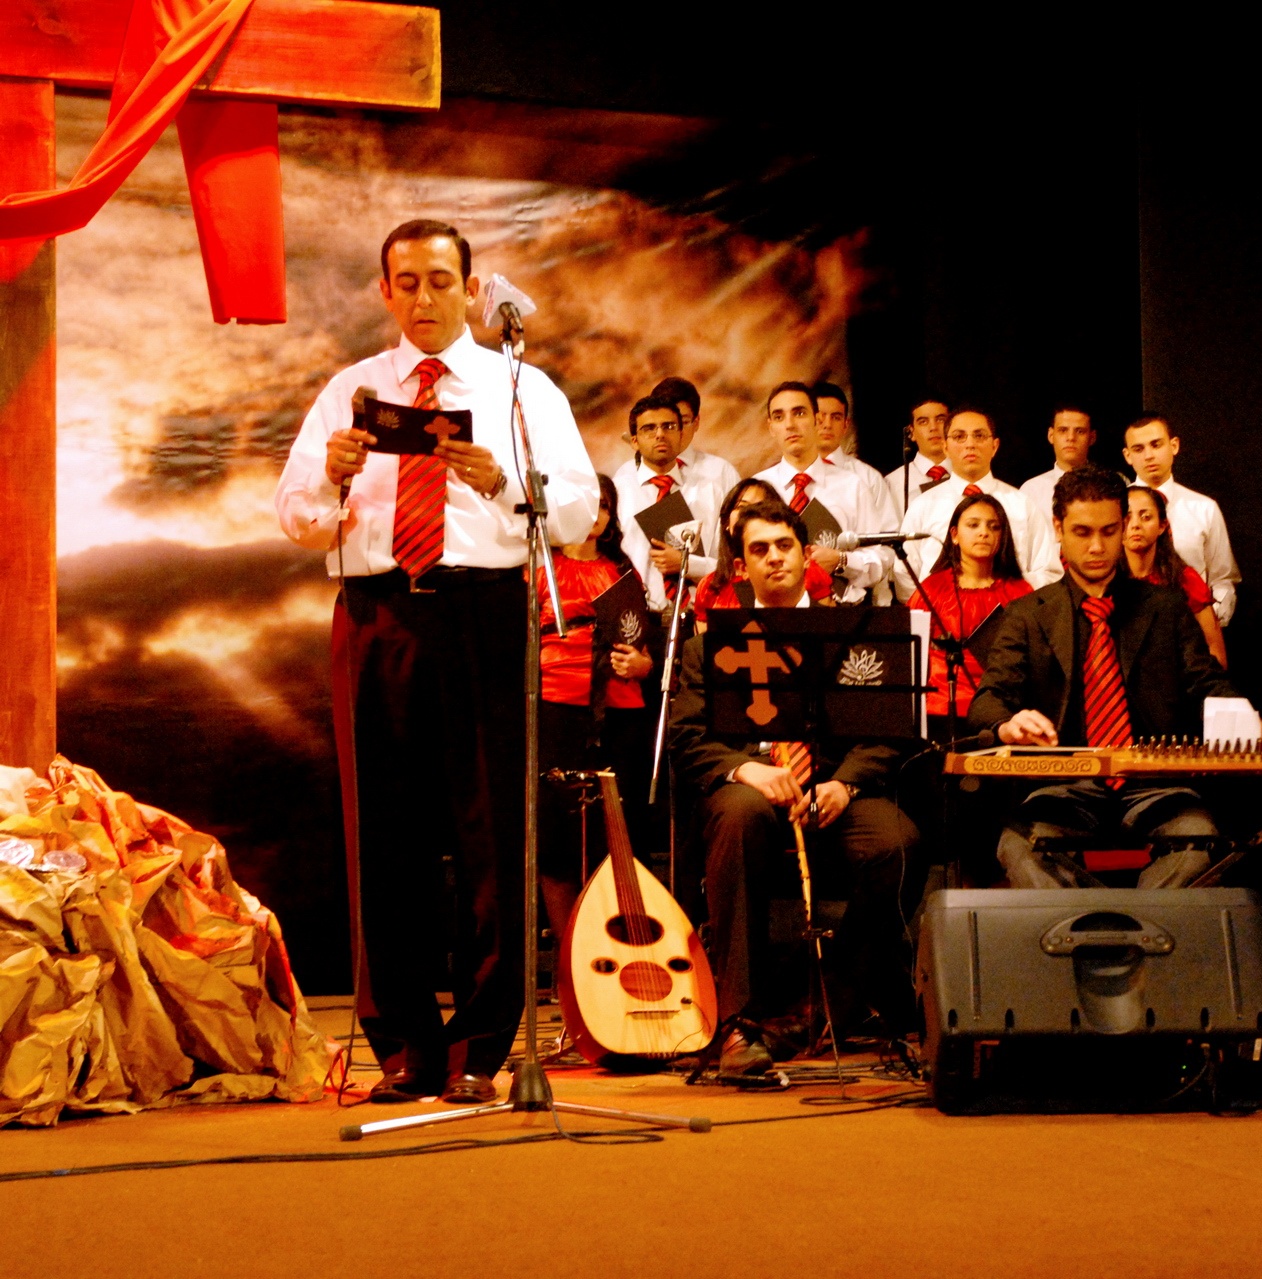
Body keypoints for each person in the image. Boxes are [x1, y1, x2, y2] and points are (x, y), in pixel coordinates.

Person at [274, 219, 598, 1105]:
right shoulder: (350, 389)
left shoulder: (521, 388)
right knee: (384, 833)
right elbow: (295, 514)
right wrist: (332, 475)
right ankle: (405, 1043)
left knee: (491, 828)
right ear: (385, 291)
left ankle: (481, 1046)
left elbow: (578, 510)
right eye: (407, 281)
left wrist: (501, 480)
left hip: (483, 612)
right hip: (377, 614)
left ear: (469, 287)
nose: (424, 297)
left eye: (441, 279)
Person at [668, 497, 921, 1073]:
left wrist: (846, 785)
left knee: (897, 843)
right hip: (752, 789)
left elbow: (887, 730)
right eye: (759, 549)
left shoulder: (853, 633)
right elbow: (686, 736)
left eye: (784, 546)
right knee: (739, 814)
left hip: (830, 791)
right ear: (741, 567)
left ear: (806, 555)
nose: (774, 558)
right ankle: (738, 1023)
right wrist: (747, 769)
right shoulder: (708, 646)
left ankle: (834, 998)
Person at [968, 466, 1243, 890]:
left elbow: (1208, 684)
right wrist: (1008, 723)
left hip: (1155, 784)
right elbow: (987, 700)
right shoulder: (1028, 614)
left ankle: (1132, 924)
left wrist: (1240, 715)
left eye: (1109, 531)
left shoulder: (1165, 608)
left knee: (1199, 843)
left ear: (1124, 525)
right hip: (1064, 786)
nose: (1096, 546)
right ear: (1058, 528)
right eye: (1082, 532)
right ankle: (1098, 925)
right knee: (1020, 848)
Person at [537, 473, 654, 945]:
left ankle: (619, 944)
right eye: (583, 505)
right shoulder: (539, 569)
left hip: (621, 711)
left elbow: (647, 651)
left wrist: (642, 665)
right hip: (557, 708)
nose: (592, 515)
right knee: (558, 835)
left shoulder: (624, 573)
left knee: (619, 831)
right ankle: (571, 950)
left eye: (601, 505)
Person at [752, 381, 897, 603]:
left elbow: (882, 557)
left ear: (816, 420)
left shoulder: (852, 486)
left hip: (839, 613)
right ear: (771, 427)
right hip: (772, 613)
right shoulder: (757, 488)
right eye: (779, 417)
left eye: (799, 413)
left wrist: (842, 561)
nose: (790, 425)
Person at [896, 407, 1062, 597]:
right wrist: (935, 606)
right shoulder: (923, 506)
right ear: (945, 447)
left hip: (1012, 612)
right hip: (939, 613)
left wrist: (1008, 592)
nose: (970, 444)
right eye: (959, 437)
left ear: (995, 446)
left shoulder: (1021, 505)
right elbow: (904, 575)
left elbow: (1049, 572)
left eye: (979, 436)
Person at [907, 491, 1034, 725]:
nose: (984, 532)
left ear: (1002, 536)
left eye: (994, 527)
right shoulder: (932, 589)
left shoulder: (1020, 591)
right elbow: (909, 657)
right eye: (973, 525)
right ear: (954, 535)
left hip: (1000, 712)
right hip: (939, 709)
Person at [1121, 415, 1241, 625]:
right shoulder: (1114, 509)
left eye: (1156, 445)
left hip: (1194, 624)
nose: (1149, 456)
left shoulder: (1204, 508)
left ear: (1174, 445)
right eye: (1139, 449)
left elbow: (1222, 579)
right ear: (1127, 456)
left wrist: (1210, 618)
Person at [610, 394, 723, 612]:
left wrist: (688, 564)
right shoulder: (618, 493)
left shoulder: (710, 492)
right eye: (649, 428)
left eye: (669, 426)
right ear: (634, 441)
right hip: (637, 616)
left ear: (681, 435)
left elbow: (729, 567)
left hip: (698, 615)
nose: (660, 434)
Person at [693, 478, 835, 626]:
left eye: (760, 507)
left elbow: (827, 624)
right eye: (742, 507)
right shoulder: (709, 585)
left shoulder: (807, 572)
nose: (774, 558)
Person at [1124, 485, 1227, 668]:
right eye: (1127, 517)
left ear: (1162, 525)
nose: (1135, 525)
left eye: (1146, 517)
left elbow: (1214, 650)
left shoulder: (1184, 579)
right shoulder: (1106, 579)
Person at [651, 375, 740, 499]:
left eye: (684, 422)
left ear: (696, 422)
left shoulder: (722, 473)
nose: (677, 431)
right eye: (668, 424)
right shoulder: (627, 477)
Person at [1018, 404, 1094, 525]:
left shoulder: (1112, 484)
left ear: (1092, 437)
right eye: (1063, 430)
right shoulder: (1031, 491)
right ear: (1051, 435)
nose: (1071, 437)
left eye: (1080, 431)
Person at [882, 397, 951, 521]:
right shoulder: (892, 483)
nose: (933, 427)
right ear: (911, 432)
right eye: (923, 422)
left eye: (941, 420)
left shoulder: (970, 475)